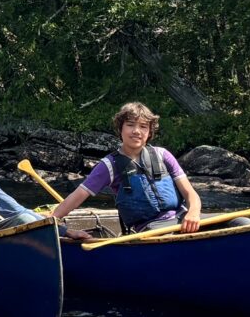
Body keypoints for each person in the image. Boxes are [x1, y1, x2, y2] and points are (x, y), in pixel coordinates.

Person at [47, 101, 203, 237]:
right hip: (150, 230)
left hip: (183, 219)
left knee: (228, 223)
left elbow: (191, 194)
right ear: (120, 129)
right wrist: (51, 221)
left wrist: (194, 213)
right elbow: (76, 197)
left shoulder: (163, 155)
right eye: (130, 125)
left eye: (143, 126)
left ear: (149, 132)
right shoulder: (108, 166)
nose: (136, 131)